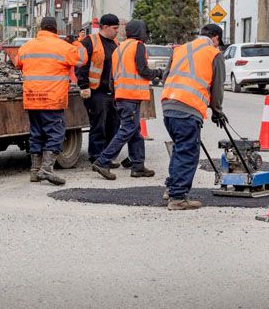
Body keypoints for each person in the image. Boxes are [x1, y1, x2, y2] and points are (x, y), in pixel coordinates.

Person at [160, 24, 226, 211]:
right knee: (188, 152)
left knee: (180, 148)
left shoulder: (181, 49)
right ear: (216, 39)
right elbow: (217, 87)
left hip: (169, 105)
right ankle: (178, 197)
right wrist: (217, 111)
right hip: (188, 108)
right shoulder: (214, 53)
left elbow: (166, 77)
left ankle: (171, 188)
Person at [17, 17, 88, 185]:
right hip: (52, 99)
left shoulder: (26, 46)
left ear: (41, 28)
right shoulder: (64, 47)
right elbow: (82, 60)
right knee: (56, 134)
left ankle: (35, 171)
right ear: (56, 29)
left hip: (32, 98)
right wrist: (77, 42)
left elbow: (18, 63)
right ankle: (47, 169)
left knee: (36, 134)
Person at [92, 20, 163, 180]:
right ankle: (103, 161)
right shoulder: (138, 45)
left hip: (121, 96)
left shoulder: (120, 48)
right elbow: (143, 70)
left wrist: (115, 93)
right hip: (131, 96)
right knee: (128, 129)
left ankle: (138, 166)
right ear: (140, 31)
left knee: (134, 131)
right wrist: (158, 73)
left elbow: (112, 77)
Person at [77, 14, 122, 166]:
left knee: (113, 125)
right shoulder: (90, 42)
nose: (117, 31)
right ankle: (96, 156)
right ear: (104, 27)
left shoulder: (115, 43)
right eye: (115, 28)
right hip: (96, 92)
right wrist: (84, 86)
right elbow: (81, 64)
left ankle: (107, 157)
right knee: (98, 126)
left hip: (112, 92)